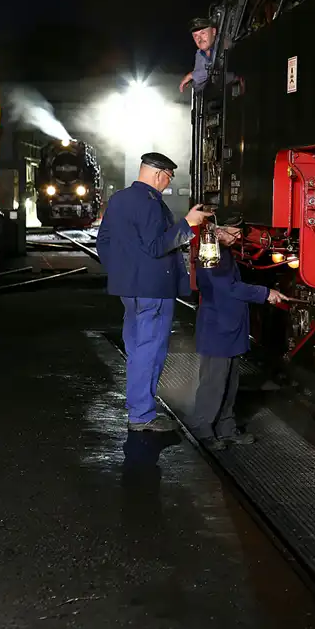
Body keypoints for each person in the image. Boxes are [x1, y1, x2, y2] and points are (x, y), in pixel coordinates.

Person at [96, 152, 212, 433]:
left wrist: (124, 273)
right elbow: (156, 246)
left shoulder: (119, 199)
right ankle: (142, 415)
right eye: (168, 179)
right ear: (159, 174)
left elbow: (104, 242)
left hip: (129, 290)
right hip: (154, 290)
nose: (167, 184)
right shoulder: (151, 205)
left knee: (137, 349)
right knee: (150, 352)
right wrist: (188, 224)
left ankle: (139, 408)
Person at [189, 224, 288, 450]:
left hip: (228, 326)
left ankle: (225, 428)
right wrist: (265, 293)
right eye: (231, 231)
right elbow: (228, 288)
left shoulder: (222, 252)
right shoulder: (211, 252)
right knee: (214, 383)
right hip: (218, 328)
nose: (237, 236)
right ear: (217, 230)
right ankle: (203, 430)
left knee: (230, 383)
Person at [180, 18, 218, 93]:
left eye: (203, 33)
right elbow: (197, 85)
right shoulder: (199, 53)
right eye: (195, 36)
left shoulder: (225, 45)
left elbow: (223, 73)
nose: (199, 39)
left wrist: (192, 75)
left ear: (213, 32)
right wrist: (194, 77)